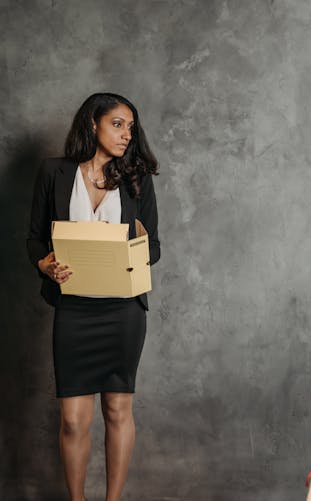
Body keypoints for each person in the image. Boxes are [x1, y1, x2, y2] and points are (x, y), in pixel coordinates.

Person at [27, 92, 160, 501]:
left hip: (122, 312)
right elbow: (35, 239)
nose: (126, 135)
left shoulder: (138, 179)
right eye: (118, 124)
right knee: (72, 420)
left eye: (131, 128)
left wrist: (136, 246)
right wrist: (44, 265)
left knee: (118, 411)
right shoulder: (54, 173)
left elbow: (153, 246)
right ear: (92, 124)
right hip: (74, 309)